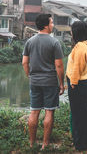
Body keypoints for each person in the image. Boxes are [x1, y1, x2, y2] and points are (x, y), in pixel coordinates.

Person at [22, 14, 64, 150]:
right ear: (46, 25)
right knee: (49, 112)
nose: (53, 25)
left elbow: (24, 62)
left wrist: (30, 75)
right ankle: (45, 145)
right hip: (50, 82)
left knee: (34, 112)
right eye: (51, 23)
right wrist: (62, 84)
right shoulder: (54, 42)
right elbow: (59, 65)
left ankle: (32, 143)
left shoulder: (30, 41)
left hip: (34, 82)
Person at [66, 21, 87, 151]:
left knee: (80, 114)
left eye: (72, 30)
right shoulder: (81, 45)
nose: (70, 33)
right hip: (79, 84)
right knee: (79, 113)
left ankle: (82, 144)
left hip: (78, 84)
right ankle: (81, 142)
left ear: (76, 32)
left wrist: (73, 83)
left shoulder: (81, 47)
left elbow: (78, 67)